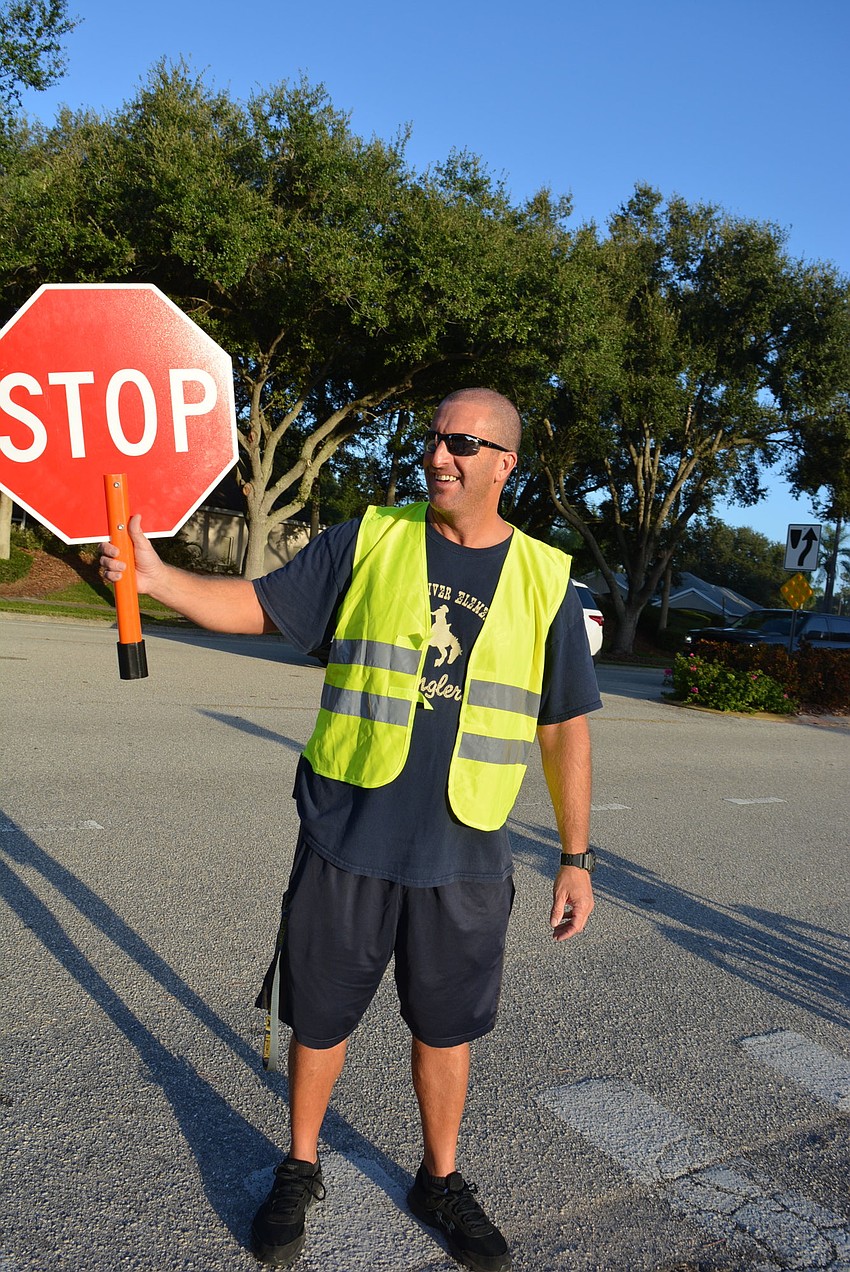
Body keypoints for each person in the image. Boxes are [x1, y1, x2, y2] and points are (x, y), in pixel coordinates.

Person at [100, 387, 601, 1272]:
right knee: (320, 1017)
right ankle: (300, 1162)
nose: (439, 456)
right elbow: (262, 608)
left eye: (462, 443)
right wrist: (160, 579)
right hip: (348, 835)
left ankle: (438, 1179)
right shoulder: (370, 539)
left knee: (445, 1029)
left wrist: (575, 855)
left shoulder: (545, 580)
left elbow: (562, 724)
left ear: (504, 463)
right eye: (433, 439)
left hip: (466, 853)